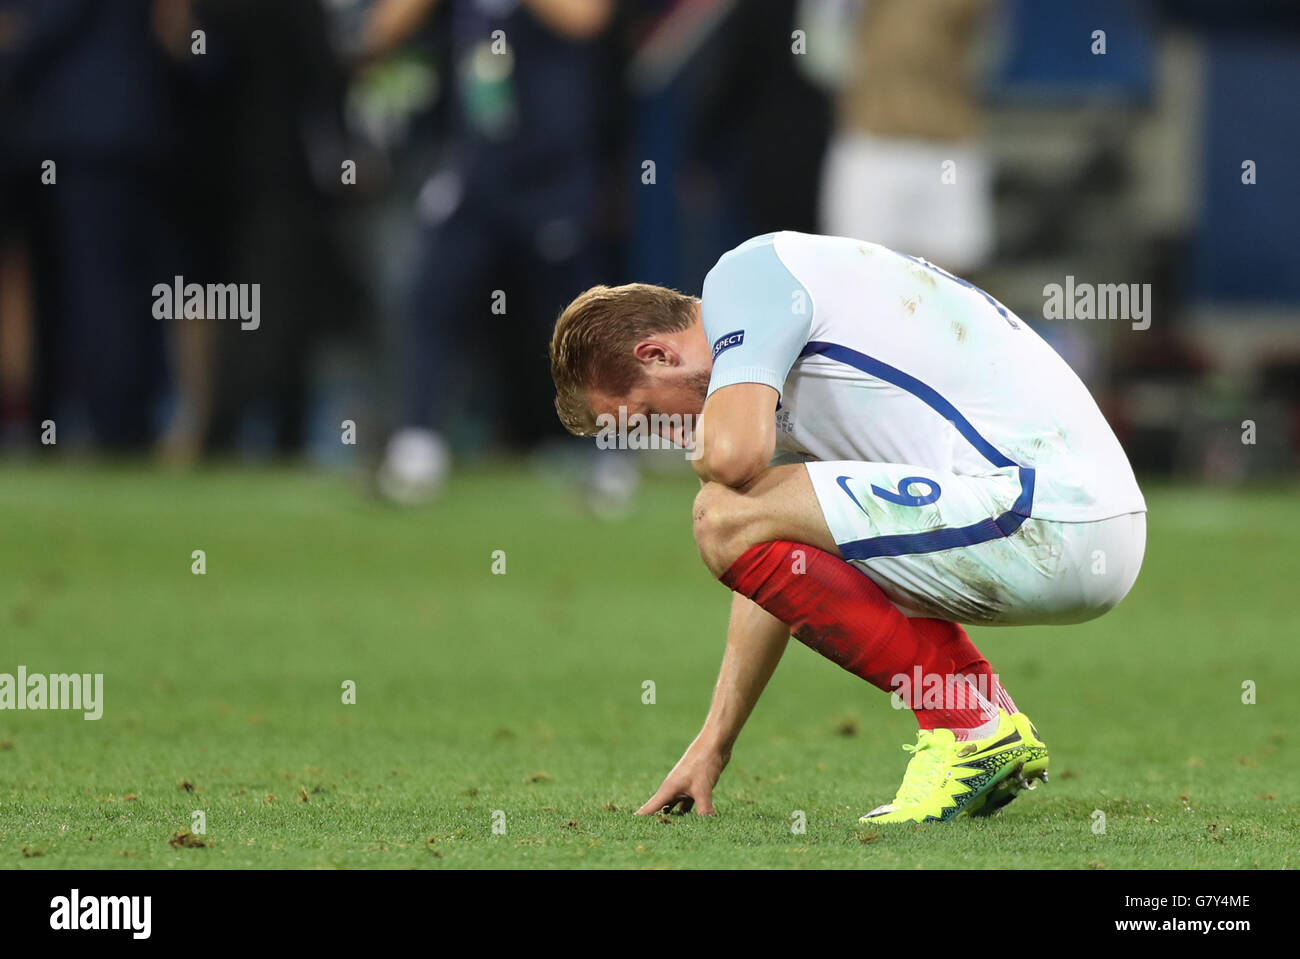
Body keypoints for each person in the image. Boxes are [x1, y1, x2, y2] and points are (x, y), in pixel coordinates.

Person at [547, 231, 1147, 823]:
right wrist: (715, 741)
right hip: (1072, 517)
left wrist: (708, 446)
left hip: (1052, 511)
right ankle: (984, 716)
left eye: (648, 417)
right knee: (737, 514)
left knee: (719, 510)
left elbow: (730, 464)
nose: (670, 439)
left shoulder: (745, 277)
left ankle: (971, 725)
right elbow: (776, 562)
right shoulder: (771, 355)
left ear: (657, 354)